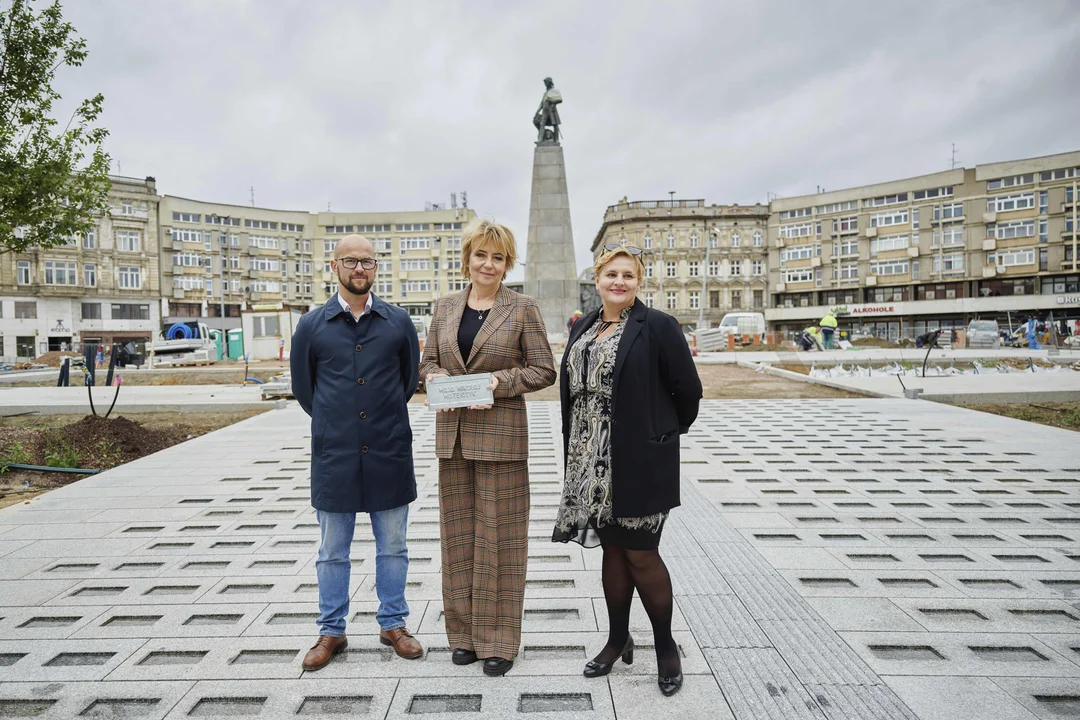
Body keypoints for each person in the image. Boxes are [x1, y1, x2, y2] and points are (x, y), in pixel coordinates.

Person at [552, 243, 702, 698]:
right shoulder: (584, 326)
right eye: (611, 275)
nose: (619, 282)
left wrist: (661, 436)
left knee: (641, 553)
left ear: (639, 282)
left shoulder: (657, 326)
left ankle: (665, 647)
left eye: (628, 276)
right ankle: (617, 640)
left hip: (637, 460)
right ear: (597, 279)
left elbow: (688, 391)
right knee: (612, 552)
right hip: (587, 461)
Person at [419, 220, 556, 677]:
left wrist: (498, 382)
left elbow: (543, 370)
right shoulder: (443, 308)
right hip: (453, 440)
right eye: (482, 255)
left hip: (500, 440)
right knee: (457, 543)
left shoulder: (522, 308)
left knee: (501, 542)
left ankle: (498, 641)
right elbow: (428, 363)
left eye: (498, 258)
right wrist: (433, 377)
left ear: (507, 263)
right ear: (468, 259)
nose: (489, 264)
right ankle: (463, 637)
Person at [290, 234, 423, 671]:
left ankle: (393, 624)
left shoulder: (398, 322)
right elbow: (305, 391)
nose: (359, 269)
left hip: (388, 450)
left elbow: (407, 382)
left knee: (394, 547)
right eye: (350, 261)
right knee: (332, 549)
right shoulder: (311, 326)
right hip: (336, 456)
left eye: (367, 261)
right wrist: (340, 421)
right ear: (334, 267)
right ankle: (331, 631)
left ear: (376, 268)